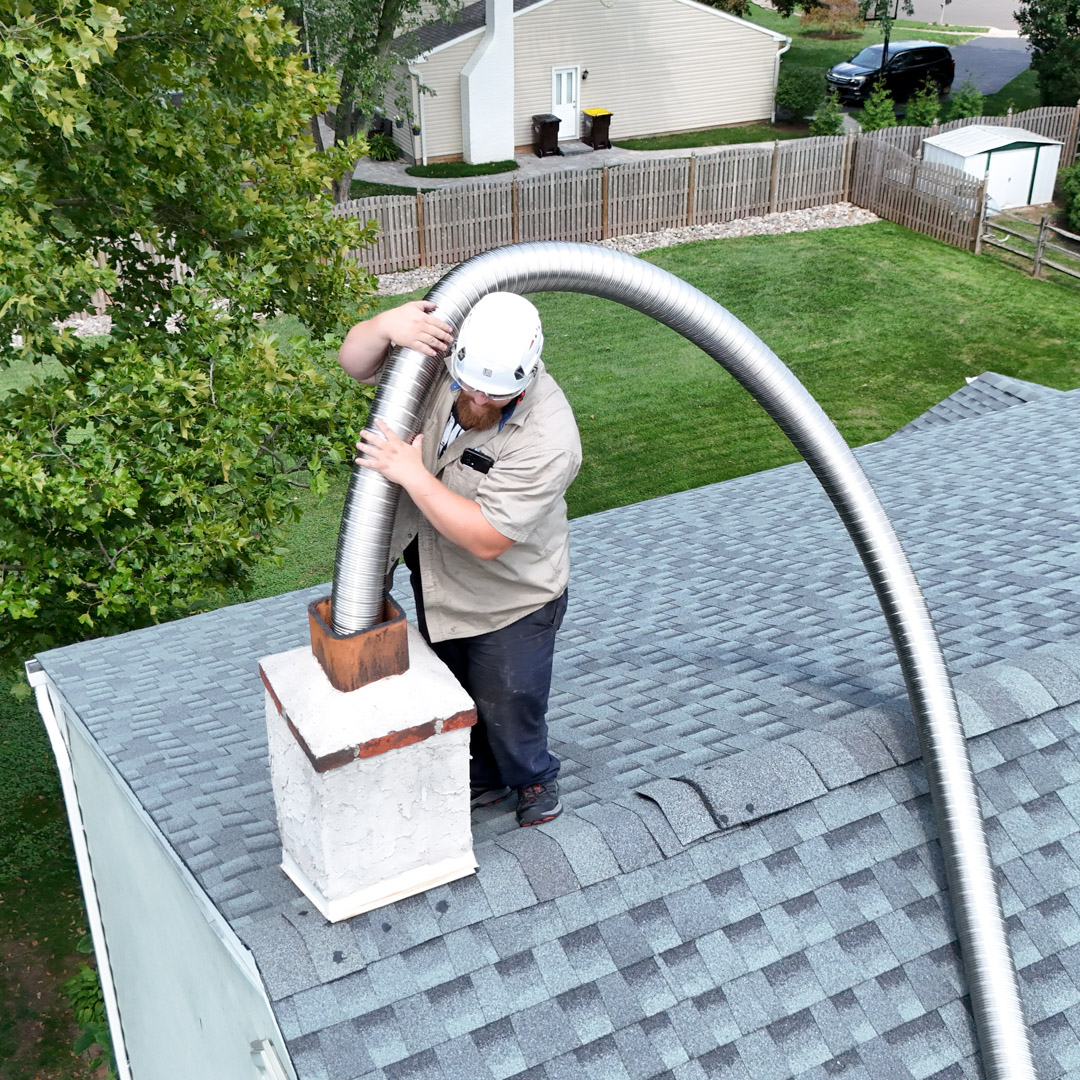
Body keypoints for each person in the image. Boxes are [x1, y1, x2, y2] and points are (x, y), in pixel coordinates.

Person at [338, 293, 582, 826]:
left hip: (512, 595)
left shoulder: (549, 437)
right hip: (440, 575)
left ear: (528, 374)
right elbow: (354, 362)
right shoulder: (442, 356)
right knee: (455, 683)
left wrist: (412, 474)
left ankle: (534, 777)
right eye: (469, 384)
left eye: (494, 394)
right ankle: (485, 776)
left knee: (510, 698)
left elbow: (489, 538)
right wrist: (382, 325)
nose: (476, 397)